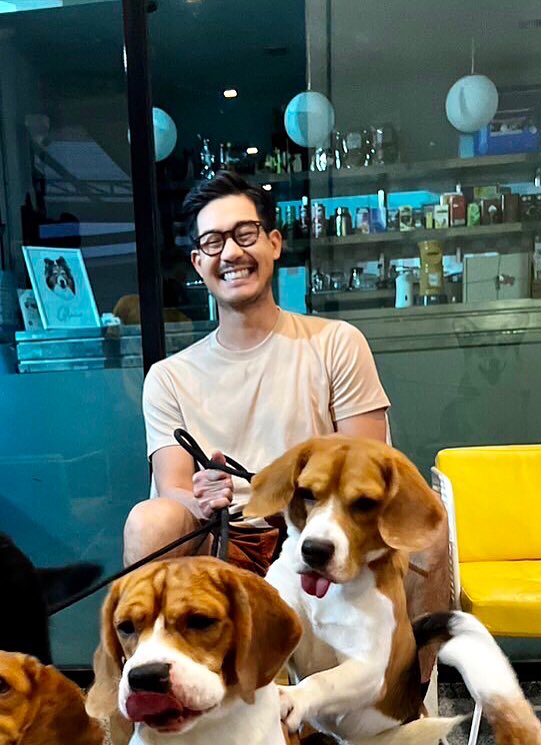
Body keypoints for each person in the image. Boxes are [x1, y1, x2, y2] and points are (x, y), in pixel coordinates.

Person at [124, 169, 393, 575]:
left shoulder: (336, 342)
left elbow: (368, 465)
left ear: (274, 243)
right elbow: (172, 488)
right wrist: (201, 499)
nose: (231, 253)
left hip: (319, 527)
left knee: (426, 528)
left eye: (245, 234)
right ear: (198, 263)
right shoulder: (168, 378)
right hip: (222, 538)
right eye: (213, 242)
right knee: (151, 520)